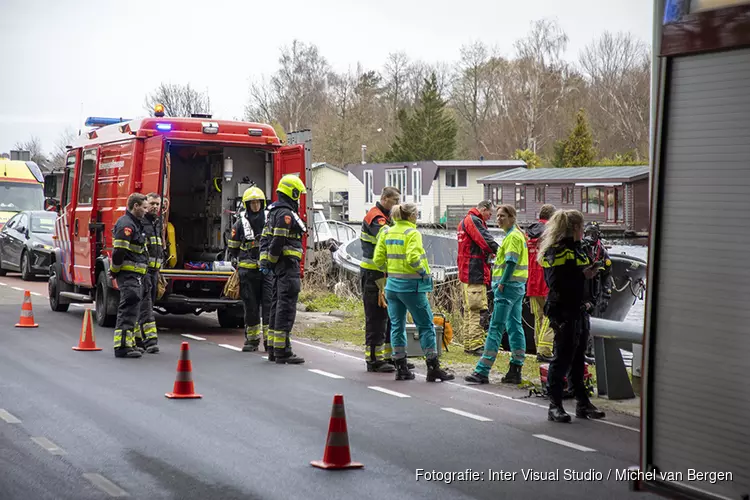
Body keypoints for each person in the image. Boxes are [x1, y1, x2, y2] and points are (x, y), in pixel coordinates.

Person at [372, 203, 455, 382]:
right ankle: (433, 368)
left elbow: (377, 259)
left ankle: (401, 368)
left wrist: (391, 271)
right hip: (412, 287)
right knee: (425, 326)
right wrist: (424, 273)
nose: (417, 216)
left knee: (397, 326)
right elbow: (413, 257)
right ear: (410, 216)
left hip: (392, 286)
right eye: (416, 213)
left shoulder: (386, 232)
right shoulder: (412, 233)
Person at [538, 209, 605, 422]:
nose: (583, 231)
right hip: (563, 310)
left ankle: (582, 403)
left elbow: (583, 281)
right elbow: (556, 284)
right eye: (581, 226)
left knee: (578, 358)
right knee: (562, 357)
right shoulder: (557, 251)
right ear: (575, 228)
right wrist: (582, 274)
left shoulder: (579, 250)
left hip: (579, 309)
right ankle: (554, 405)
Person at [465, 205, 528, 385]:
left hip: (507, 289)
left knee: (495, 327)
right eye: (497, 216)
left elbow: (511, 262)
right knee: (515, 326)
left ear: (512, 217)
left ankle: (482, 371)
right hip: (516, 287)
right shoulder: (516, 235)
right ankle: (515, 368)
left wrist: (501, 283)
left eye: (502, 216)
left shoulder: (513, 237)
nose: (498, 219)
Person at [259, 174, 307, 364]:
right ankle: (282, 351)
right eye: (298, 193)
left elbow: (265, 239)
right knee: (286, 307)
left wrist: (268, 263)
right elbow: (278, 241)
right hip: (288, 266)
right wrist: (270, 260)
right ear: (292, 192)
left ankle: (273, 348)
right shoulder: (285, 214)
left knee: (277, 304)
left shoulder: (273, 212)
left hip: (280, 267)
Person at [359, 187, 401, 373]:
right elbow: (388, 236)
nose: (397, 204)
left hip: (384, 275)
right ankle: (374, 359)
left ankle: (389, 357)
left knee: (389, 316)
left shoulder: (388, 217)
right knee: (376, 317)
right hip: (372, 275)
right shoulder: (375, 217)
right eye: (394, 200)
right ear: (384, 199)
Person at [227, 186, 273, 353]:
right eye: (252, 203)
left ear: (262, 203)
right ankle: (252, 340)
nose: (255, 206)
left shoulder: (269, 221)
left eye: (258, 202)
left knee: (269, 305)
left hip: (267, 272)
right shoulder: (240, 224)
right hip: (247, 272)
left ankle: (270, 341)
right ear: (247, 205)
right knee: (251, 306)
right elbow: (232, 247)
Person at [457, 200, 499, 355]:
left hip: (467, 272)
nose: (490, 216)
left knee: (469, 310)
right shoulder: (473, 221)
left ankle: (469, 343)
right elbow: (485, 240)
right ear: (483, 209)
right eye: (490, 213)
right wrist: (500, 251)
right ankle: (475, 345)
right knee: (478, 309)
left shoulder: (464, 222)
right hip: (475, 272)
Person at [110, 193, 149, 359]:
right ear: (135, 206)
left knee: (133, 310)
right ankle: (122, 346)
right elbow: (119, 252)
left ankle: (129, 343)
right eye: (144, 207)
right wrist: (116, 270)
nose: (146, 211)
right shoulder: (126, 225)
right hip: (128, 275)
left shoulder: (135, 224)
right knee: (128, 309)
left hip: (136, 275)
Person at [525, 204, 557, 362]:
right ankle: (545, 350)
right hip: (546, 281)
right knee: (550, 316)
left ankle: (539, 347)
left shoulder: (529, 233)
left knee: (538, 318)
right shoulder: (551, 233)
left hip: (531, 281)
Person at [134, 193, 164, 354]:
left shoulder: (157, 223)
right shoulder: (141, 223)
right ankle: (147, 341)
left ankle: (140, 339)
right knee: (145, 306)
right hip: (143, 271)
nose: (155, 207)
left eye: (158, 204)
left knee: (149, 305)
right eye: (152, 203)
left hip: (154, 272)